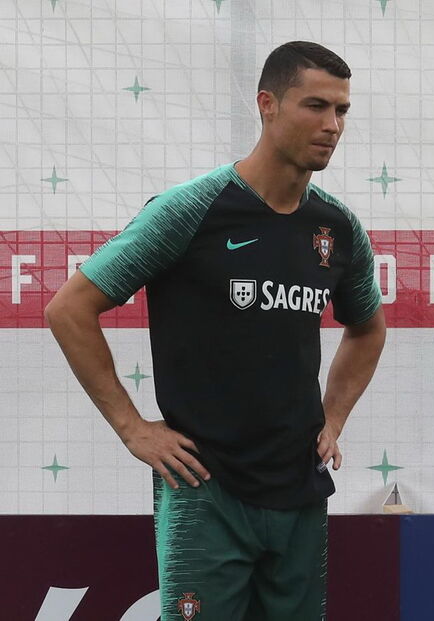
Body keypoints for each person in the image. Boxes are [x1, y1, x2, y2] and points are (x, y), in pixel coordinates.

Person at [45, 41, 385, 620]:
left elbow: (368, 330)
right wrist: (132, 428)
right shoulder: (191, 209)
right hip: (206, 491)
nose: (332, 125)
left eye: (342, 110)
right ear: (267, 104)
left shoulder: (337, 227)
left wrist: (333, 419)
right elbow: (69, 308)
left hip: (300, 491)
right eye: (316, 106)